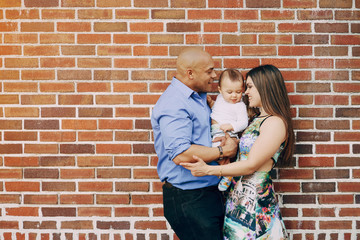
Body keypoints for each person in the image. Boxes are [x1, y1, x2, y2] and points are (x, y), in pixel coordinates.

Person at [181, 64, 295, 239]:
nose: (245, 93)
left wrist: (208, 170)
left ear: (265, 87)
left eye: (249, 87)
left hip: (255, 202)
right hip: (239, 197)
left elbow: (250, 165)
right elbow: (247, 153)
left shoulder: (275, 122)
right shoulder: (258, 119)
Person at [151, 48, 239, 240]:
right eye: (209, 71)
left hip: (206, 192)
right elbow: (181, 154)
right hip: (189, 197)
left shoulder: (197, 97)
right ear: (190, 73)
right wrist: (223, 151)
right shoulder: (174, 103)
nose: (215, 75)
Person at [207, 69, 248, 191]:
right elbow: (219, 110)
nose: (234, 95)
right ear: (220, 90)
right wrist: (211, 103)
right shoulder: (220, 98)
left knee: (219, 152)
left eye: (238, 91)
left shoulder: (239, 106)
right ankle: (225, 172)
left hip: (227, 134)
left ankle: (227, 174)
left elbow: (243, 123)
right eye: (229, 92)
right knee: (213, 152)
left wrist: (231, 126)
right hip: (215, 132)